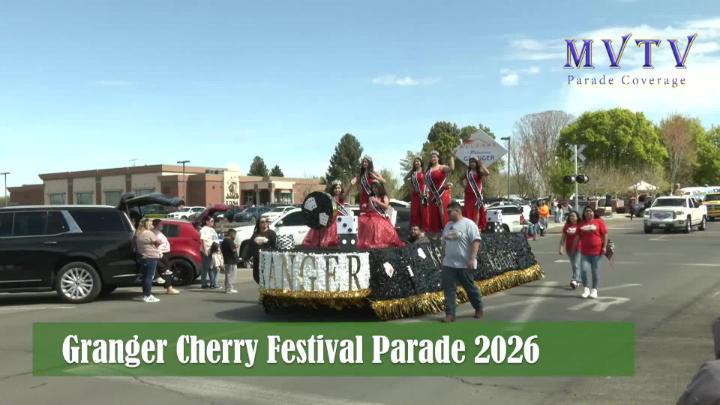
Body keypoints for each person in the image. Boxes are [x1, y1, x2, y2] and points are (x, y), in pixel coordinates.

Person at [441, 201, 483, 323]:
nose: (448, 214)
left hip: (464, 264)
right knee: (449, 289)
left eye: (450, 212)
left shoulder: (469, 224)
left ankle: (478, 308)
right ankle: (450, 314)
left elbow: (476, 241)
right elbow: (444, 243)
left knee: (470, 288)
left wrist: (472, 258)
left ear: (457, 211)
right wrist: (443, 258)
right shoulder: (448, 225)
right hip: (449, 264)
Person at [572, 206, 609, 299]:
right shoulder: (581, 224)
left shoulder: (599, 221)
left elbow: (605, 235)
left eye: (590, 211)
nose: (588, 212)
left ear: (593, 212)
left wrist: (604, 247)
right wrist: (573, 248)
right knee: (583, 270)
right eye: (586, 211)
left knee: (595, 271)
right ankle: (586, 289)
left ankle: (594, 290)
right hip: (584, 252)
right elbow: (577, 237)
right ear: (584, 213)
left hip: (597, 252)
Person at [358, 182, 405, 249]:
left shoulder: (384, 197)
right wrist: (365, 207)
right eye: (372, 188)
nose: (374, 189)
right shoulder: (371, 197)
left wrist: (376, 201)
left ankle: (377, 242)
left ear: (379, 188)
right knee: (360, 220)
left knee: (375, 223)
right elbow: (369, 209)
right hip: (371, 215)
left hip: (380, 216)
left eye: (375, 187)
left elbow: (386, 206)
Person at [302, 180, 349, 248]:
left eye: (339, 188)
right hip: (330, 219)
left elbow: (347, 195)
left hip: (339, 221)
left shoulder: (342, 198)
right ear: (332, 189)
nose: (337, 190)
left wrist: (351, 184)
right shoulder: (329, 197)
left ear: (341, 189)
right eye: (335, 188)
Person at [425, 150, 454, 237]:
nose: (432, 158)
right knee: (434, 215)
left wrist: (452, 157)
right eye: (431, 157)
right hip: (433, 195)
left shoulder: (442, 167)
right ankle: (437, 234)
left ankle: (448, 231)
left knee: (443, 213)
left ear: (438, 158)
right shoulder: (428, 171)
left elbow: (451, 169)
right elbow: (426, 182)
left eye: (434, 157)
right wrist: (429, 191)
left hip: (442, 194)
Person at [134, 218, 162, 303]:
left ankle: (145, 294)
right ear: (147, 224)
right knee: (149, 277)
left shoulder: (138, 233)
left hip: (144, 256)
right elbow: (158, 242)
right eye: (151, 223)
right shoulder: (149, 233)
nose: (152, 224)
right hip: (151, 256)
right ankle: (148, 295)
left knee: (145, 277)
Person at [151, 219, 180, 295]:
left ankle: (169, 287)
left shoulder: (158, 232)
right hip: (161, 253)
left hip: (164, 253)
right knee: (165, 270)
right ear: (156, 225)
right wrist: (159, 253)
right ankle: (169, 288)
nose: (162, 225)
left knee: (166, 270)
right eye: (160, 224)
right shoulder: (154, 233)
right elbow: (154, 244)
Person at [461, 157, 490, 231]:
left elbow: (487, 173)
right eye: (470, 162)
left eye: (473, 162)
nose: (472, 164)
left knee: (476, 211)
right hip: (468, 195)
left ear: (476, 163)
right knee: (468, 211)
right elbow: (460, 179)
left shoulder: (480, 171)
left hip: (477, 195)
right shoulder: (467, 172)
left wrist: (482, 165)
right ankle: (468, 228)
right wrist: (464, 186)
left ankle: (475, 228)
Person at [248, 217, 277, 284]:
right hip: (257, 259)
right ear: (259, 224)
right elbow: (251, 244)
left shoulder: (271, 233)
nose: (265, 223)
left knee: (267, 276)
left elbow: (274, 246)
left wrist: (266, 241)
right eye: (262, 222)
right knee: (257, 276)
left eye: (266, 221)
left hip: (267, 259)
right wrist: (255, 241)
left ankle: (266, 287)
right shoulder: (255, 234)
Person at [404, 156, 429, 232]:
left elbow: (428, 182)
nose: (416, 163)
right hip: (415, 195)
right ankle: (415, 230)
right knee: (415, 212)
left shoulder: (425, 171)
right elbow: (405, 179)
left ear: (421, 162)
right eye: (415, 162)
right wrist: (411, 188)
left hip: (424, 194)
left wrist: (427, 191)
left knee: (424, 212)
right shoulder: (413, 172)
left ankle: (424, 230)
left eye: (418, 161)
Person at [559, 211, 581, 289]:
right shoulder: (567, 226)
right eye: (570, 216)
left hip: (579, 248)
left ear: (577, 217)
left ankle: (574, 280)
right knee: (574, 265)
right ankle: (579, 280)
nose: (571, 217)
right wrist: (561, 248)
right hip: (569, 248)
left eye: (573, 216)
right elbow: (563, 238)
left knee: (576, 264)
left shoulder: (580, 225)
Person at [199, 217, 219, 289]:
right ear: (207, 222)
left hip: (213, 250)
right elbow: (203, 240)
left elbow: (215, 239)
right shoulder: (204, 229)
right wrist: (205, 250)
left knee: (212, 267)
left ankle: (212, 283)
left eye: (213, 221)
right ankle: (204, 284)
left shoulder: (212, 229)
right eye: (211, 221)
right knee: (206, 267)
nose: (213, 222)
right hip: (207, 250)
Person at [221, 229, 239, 293]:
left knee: (228, 274)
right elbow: (233, 250)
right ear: (231, 234)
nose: (235, 236)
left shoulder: (224, 241)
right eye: (234, 235)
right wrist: (236, 247)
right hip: (231, 260)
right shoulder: (230, 241)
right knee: (231, 275)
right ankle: (230, 288)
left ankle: (227, 288)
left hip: (227, 259)